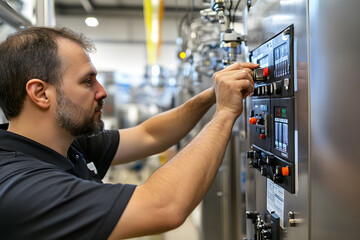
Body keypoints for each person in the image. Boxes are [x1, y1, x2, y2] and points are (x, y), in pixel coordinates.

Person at [0, 26, 258, 239]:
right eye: (87, 81)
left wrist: (211, 96)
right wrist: (225, 113)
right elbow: (165, 206)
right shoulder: (22, 187)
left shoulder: (65, 144)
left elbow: (150, 135)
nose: (102, 92)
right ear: (41, 94)